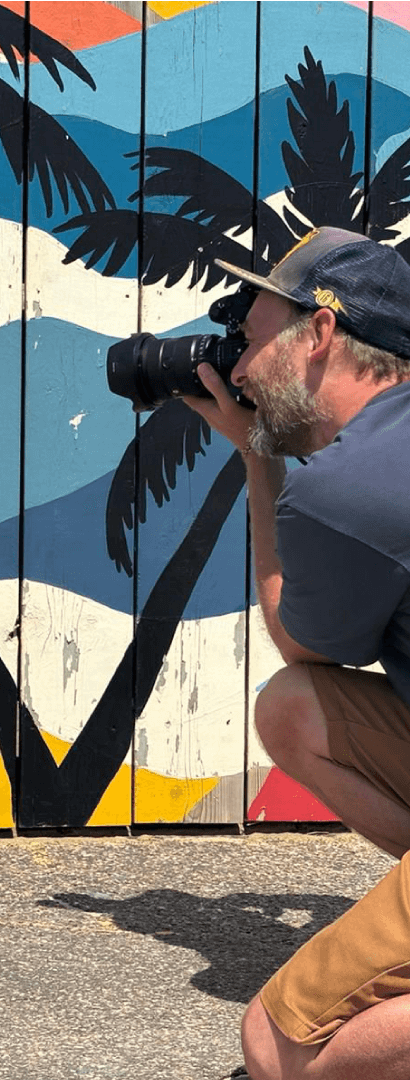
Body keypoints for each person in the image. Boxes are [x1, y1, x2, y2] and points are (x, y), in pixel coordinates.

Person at [184, 227, 410, 1080]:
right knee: (293, 709)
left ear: (319, 334)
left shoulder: (347, 487)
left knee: (282, 1048)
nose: (237, 371)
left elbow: (301, 639)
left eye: (251, 341)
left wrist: (256, 460)